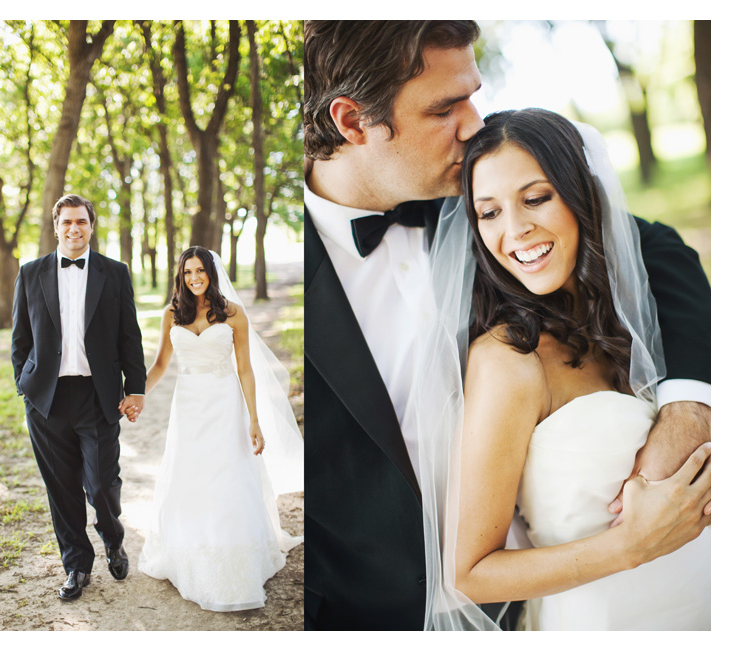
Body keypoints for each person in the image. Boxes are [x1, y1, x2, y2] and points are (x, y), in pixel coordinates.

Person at [303, 20, 711, 631]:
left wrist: (689, 403)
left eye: (473, 93)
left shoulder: (484, 194)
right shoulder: (289, 280)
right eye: (446, 107)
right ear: (353, 121)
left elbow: (643, 246)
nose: (474, 124)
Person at [415, 109, 710, 630]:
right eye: (488, 213)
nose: (515, 230)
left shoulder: (640, 317)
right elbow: (468, 572)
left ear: (581, 194)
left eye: (535, 198)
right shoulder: (509, 361)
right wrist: (628, 546)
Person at [137, 247, 303, 612]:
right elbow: (162, 363)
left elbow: (245, 369)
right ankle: (191, 547)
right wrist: (135, 395)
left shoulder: (232, 314)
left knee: (227, 474)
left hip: (225, 403)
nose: (194, 277)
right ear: (180, 276)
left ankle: (232, 552)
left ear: (211, 272)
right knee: (190, 473)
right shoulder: (172, 314)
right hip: (189, 405)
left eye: (200, 271)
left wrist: (254, 419)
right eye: (187, 272)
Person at [11, 194, 147, 600]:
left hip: (97, 395)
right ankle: (76, 566)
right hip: (47, 400)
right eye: (67, 222)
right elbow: (20, 340)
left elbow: (129, 336)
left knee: (101, 483)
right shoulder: (30, 273)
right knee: (62, 488)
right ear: (56, 226)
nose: (74, 229)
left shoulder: (115, 273)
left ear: (91, 226)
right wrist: (26, 386)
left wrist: (134, 388)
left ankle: (112, 537)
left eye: (81, 222)